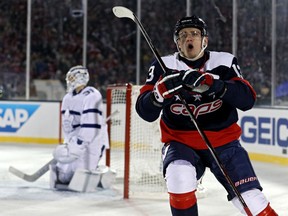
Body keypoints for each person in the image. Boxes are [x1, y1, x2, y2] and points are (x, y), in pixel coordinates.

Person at [135, 16, 278, 215]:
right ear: (177, 43)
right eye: (183, 35)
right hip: (180, 143)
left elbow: (247, 100)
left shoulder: (224, 62)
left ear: (205, 40)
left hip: (225, 144)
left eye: (194, 33)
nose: (188, 38)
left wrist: (215, 85)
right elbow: (144, 112)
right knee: (179, 178)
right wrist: (158, 95)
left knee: (251, 200)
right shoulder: (163, 65)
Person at [50, 65, 115, 192]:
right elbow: (66, 125)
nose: (69, 80)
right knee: (63, 176)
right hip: (75, 140)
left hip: (93, 142)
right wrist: (69, 143)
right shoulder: (67, 98)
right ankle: (93, 171)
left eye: (72, 77)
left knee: (79, 177)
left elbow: (92, 127)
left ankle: (101, 174)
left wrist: (80, 143)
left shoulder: (92, 95)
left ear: (80, 77)